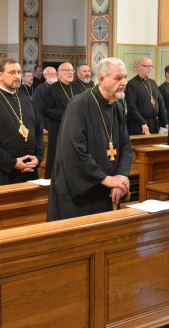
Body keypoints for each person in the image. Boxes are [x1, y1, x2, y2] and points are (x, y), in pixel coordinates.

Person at [47, 58, 133, 222]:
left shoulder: (118, 106)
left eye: (125, 77)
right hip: (80, 193)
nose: (124, 82)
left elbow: (126, 146)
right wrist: (106, 179)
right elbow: (74, 151)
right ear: (102, 79)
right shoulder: (79, 105)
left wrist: (120, 178)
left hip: (107, 188)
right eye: (118, 78)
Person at [0, 58, 44, 188]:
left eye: (18, 72)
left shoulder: (27, 101)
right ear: (0, 75)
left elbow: (38, 133)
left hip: (29, 168)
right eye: (12, 72)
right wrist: (12, 162)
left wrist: (38, 157)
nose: (17, 76)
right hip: (1, 171)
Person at [42, 63, 77, 179]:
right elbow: (45, 110)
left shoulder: (77, 88)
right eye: (67, 70)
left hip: (75, 128)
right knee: (56, 155)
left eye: (72, 70)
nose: (70, 72)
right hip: (58, 128)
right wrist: (66, 114)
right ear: (59, 73)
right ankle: (53, 180)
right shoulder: (52, 89)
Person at [125, 57, 168, 135]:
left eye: (151, 66)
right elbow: (131, 107)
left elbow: (161, 105)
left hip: (154, 124)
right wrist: (143, 123)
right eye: (146, 66)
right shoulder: (132, 84)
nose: (149, 68)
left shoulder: (152, 83)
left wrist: (166, 123)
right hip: (138, 125)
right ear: (139, 67)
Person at [33, 66, 57, 130]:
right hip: (46, 122)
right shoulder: (40, 89)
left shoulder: (59, 87)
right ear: (45, 76)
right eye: (52, 74)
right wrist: (42, 126)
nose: (54, 76)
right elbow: (37, 109)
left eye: (55, 74)